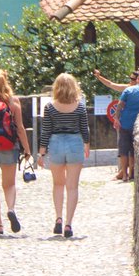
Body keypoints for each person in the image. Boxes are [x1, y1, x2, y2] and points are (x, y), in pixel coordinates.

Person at [0, 69, 32, 234]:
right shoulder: (14, 101)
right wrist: (27, 150)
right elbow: (21, 128)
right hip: (9, 146)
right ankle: (11, 209)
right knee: (9, 184)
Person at [38, 73, 89, 238]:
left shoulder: (50, 107)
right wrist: (86, 145)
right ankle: (68, 224)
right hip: (75, 143)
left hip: (56, 143)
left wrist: (41, 152)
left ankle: (58, 218)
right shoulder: (80, 106)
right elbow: (85, 128)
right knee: (72, 187)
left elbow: (45, 130)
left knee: (58, 184)